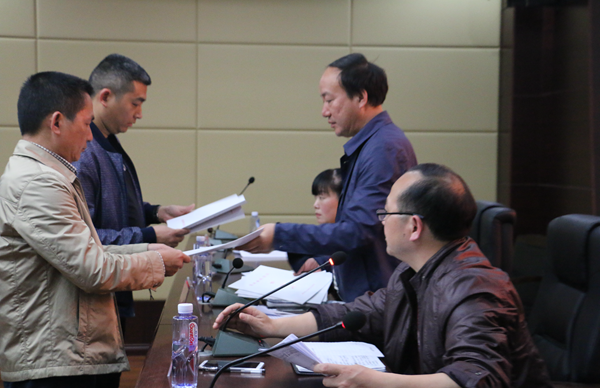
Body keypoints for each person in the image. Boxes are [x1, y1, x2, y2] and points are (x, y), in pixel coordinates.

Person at [214, 163, 552, 388]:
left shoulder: (476, 289)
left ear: (414, 226)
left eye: (386, 212)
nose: (381, 221)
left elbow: (477, 379)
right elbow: (365, 312)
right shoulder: (416, 270)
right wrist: (272, 326)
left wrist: (373, 381)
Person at [0, 71, 190, 388]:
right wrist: (155, 262)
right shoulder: (38, 183)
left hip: (64, 352)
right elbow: (92, 269)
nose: (90, 137)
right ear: (57, 122)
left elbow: (86, 250)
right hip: (56, 361)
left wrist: (146, 249)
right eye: (86, 124)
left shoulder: (46, 174)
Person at [240, 53, 418, 301]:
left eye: (329, 100)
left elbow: (359, 232)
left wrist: (280, 235)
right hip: (366, 296)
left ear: (361, 97)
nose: (324, 111)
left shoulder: (383, 149)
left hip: (377, 299)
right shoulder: (373, 144)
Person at [73, 54, 194, 331]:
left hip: (113, 291)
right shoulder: (84, 152)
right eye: (135, 103)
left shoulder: (108, 142)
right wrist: (150, 236)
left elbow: (113, 205)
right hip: (93, 303)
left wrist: (155, 212)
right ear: (105, 96)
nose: (139, 114)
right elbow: (86, 237)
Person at [288, 168, 342, 274]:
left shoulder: (358, 239)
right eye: (315, 198)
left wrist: (322, 263)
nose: (315, 205)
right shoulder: (318, 240)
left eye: (322, 197)